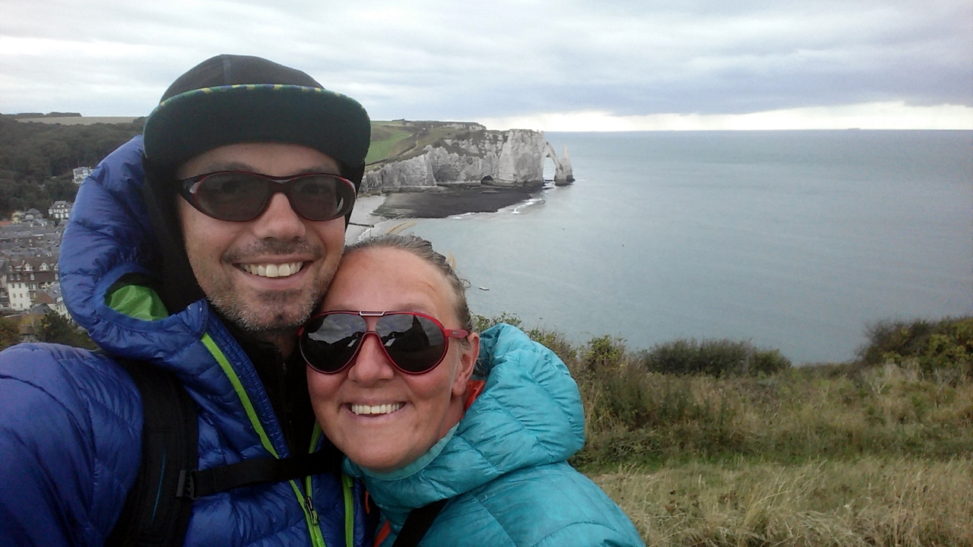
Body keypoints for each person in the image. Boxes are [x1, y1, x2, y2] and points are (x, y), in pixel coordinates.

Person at [0, 54, 374, 545]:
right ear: (166, 215)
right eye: (229, 189)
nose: (283, 225)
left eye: (317, 190)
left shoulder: (386, 380)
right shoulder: (52, 417)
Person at [302, 234, 645, 546]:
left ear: (464, 364)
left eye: (412, 338)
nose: (366, 371)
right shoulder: (362, 498)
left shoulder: (562, 536)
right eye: (334, 335)